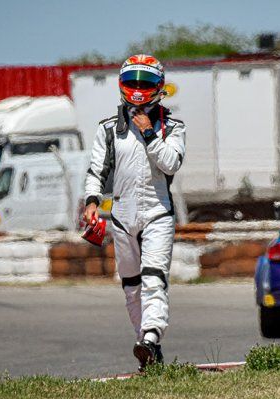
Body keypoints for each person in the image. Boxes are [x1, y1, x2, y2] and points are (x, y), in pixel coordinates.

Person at [83, 54, 186, 370]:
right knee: (131, 287)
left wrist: (150, 133)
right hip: (121, 217)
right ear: (122, 85)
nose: (138, 90)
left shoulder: (173, 126)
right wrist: (91, 203)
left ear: (159, 87)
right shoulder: (108, 129)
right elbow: (97, 169)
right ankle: (150, 349)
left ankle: (151, 337)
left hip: (158, 214)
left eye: (146, 83)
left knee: (154, 279)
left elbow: (171, 163)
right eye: (133, 83)